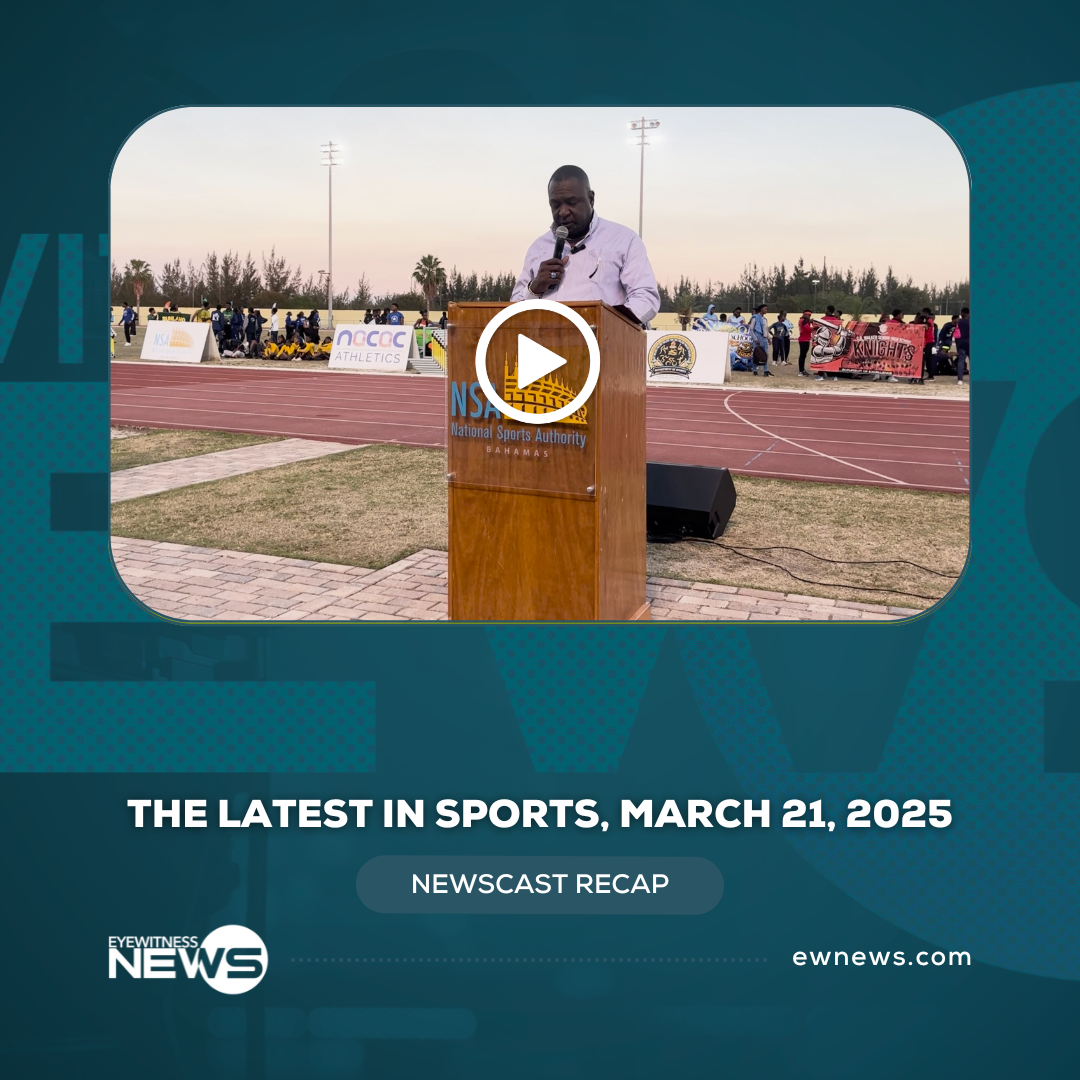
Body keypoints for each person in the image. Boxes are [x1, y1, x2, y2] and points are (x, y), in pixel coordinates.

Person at [509, 164, 660, 326]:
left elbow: (645, 298)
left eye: (571, 202)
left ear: (591, 199)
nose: (563, 212)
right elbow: (512, 309)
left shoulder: (624, 240)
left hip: (602, 338)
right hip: (546, 339)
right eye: (555, 205)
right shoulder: (538, 248)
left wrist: (608, 326)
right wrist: (535, 288)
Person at [749, 304, 773, 377]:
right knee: (756, 354)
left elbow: (766, 330)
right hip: (757, 338)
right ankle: (754, 370)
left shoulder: (765, 319)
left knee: (765, 355)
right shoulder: (755, 318)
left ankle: (766, 371)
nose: (766, 310)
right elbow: (751, 329)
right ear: (761, 309)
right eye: (765, 308)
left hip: (764, 339)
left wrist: (769, 338)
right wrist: (755, 339)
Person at [955, 306, 970, 385]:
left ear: (963, 313)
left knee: (961, 361)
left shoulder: (960, 322)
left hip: (962, 342)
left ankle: (960, 379)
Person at [796, 310, 813, 376]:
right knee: (802, 356)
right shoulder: (804, 321)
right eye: (808, 315)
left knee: (803, 355)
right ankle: (801, 371)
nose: (809, 317)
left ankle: (802, 370)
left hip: (805, 339)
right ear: (805, 315)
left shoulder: (803, 320)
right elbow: (809, 329)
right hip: (804, 340)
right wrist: (814, 327)